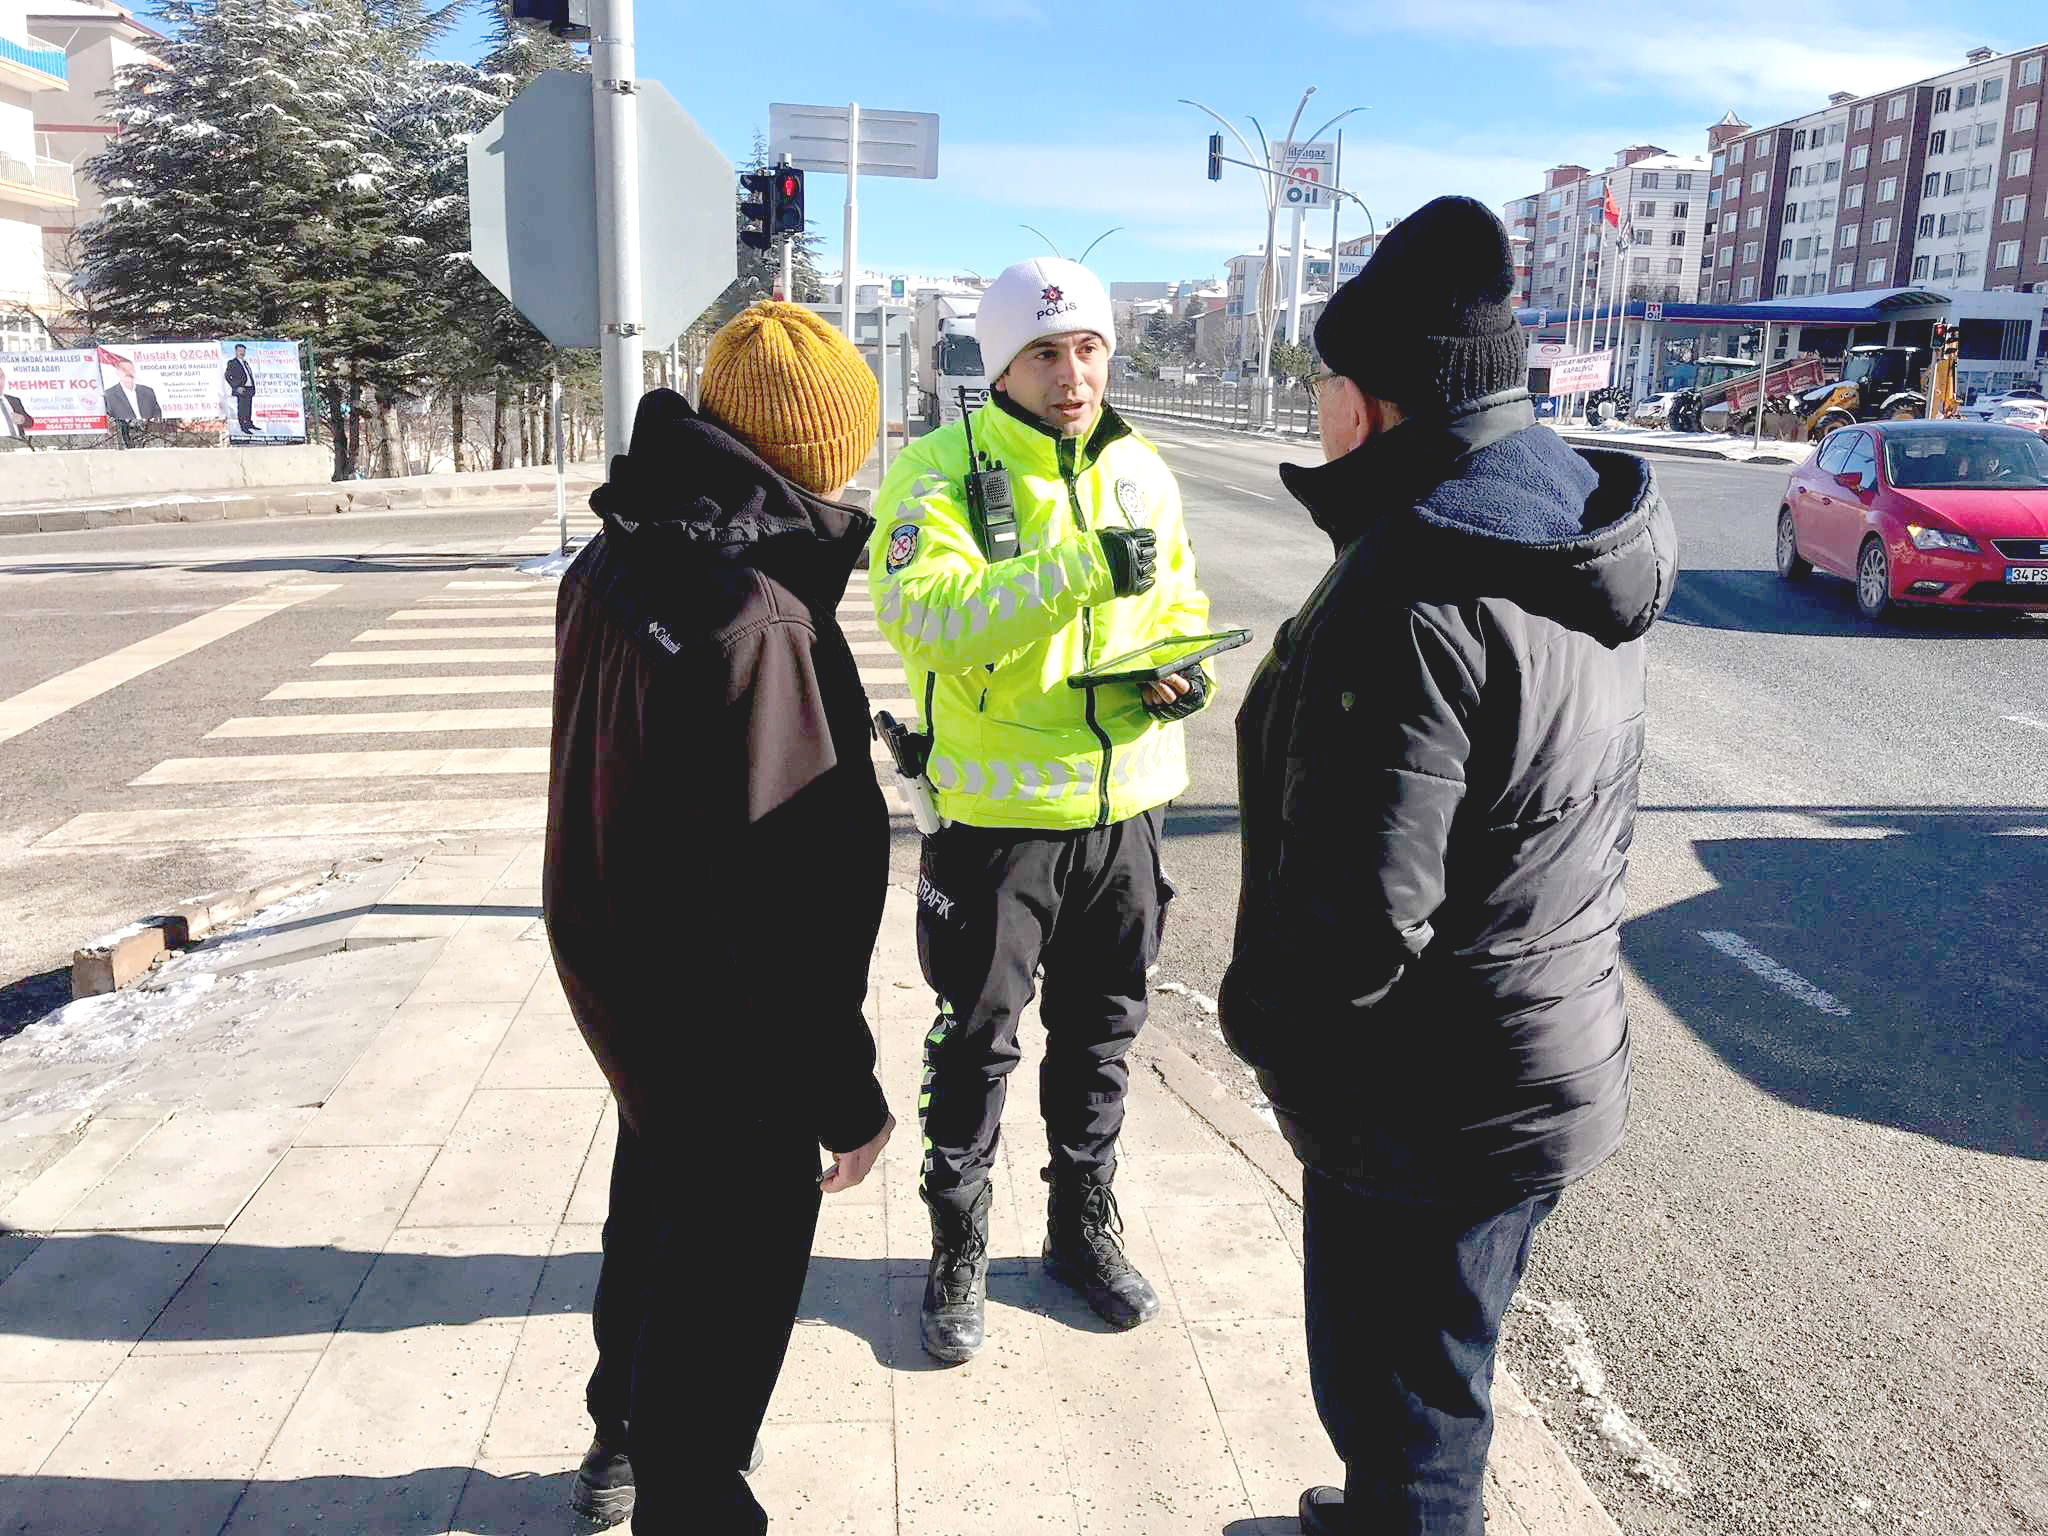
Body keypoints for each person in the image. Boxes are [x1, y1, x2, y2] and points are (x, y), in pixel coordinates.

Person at [1218, 196, 1678, 1536]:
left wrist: (1266, 1030)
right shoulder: (1568, 536)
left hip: (1429, 1091)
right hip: (1541, 1043)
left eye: (1322, 389)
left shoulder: (1415, 587)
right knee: (1432, 1375)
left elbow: (1360, 921)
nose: (1316, 413)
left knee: (1410, 1402)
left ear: (1366, 409)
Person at [543, 301, 896, 1536]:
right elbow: (787, 892)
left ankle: (614, 1441)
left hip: (635, 991)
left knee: (649, 1224)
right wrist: (842, 1093)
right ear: (818, 452)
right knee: (720, 1315)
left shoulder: (619, 550)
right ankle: (680, 1488)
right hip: (733, 1033)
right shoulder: (760, 615)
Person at [868, 256, 1215, 1363]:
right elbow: (926, 622)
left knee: (1101, 1036)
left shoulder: (1140, 469)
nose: (1073, 376)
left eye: (1089, 349)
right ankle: (956, 1246)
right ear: (1003, 362)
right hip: (997, 820)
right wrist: (1078, 570)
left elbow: (1179, 600)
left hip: (1127, 809)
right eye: (1045, 353)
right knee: (973, 1043)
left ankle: (1079, 1228)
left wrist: (1183, 671)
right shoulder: (938, 471)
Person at [102, 353, 162, 424]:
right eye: (124, 369)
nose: (128, 372)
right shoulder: (109, 394)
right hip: (123, 432)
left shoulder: (148, 391)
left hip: (149, 432)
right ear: (117, 372)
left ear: (134, 371)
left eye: (130, 369)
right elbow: (108, 419)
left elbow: (157, 414)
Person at [225, 344, 258, 435]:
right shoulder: (232, 362)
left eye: (243, 351)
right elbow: (227, 376)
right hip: (241, 389)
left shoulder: (246, 363)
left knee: (248, 408)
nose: (242, 352)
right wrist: (236, 387)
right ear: (236, 351)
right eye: (240, 350)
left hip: (249, 389)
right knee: (242, 408)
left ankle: (249, 424)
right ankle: (243, 427)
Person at [0, 363, 33, 445]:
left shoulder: (14, 400)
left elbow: (30, 422)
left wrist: (22, 419)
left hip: (19, 443)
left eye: (1, 377)